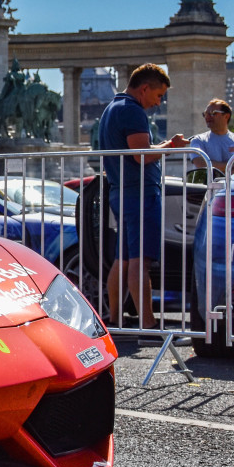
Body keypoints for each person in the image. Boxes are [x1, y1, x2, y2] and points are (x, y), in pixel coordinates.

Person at [97, 64, 190, 340]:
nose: (159, 102)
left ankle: (115, 322)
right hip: (139, 192)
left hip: (121, 190)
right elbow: (142, 154)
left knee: (122, 259)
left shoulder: (112, 108)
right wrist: (170, 146)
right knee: (140, 260)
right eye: (159, 95)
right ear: (144, 88)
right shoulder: (132, 110)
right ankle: (148, 326)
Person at [188, 99, 234, 177]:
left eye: (212, 113)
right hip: (208, 187)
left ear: (226, 116)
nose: (207, 117)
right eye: (205, 114)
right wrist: (231, 165)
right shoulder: (198, 140)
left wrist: (220, 173)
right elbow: (201, 164)